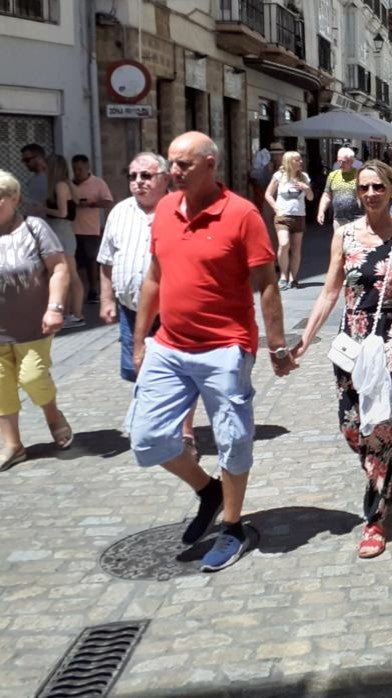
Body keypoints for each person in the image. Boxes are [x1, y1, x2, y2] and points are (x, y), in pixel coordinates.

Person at [128, 131, 297, 572]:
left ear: (209, 165)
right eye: (171, 163)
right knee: (148, 438)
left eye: (183, 164)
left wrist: (277, 346)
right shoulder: (165, 209)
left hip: (225, 347)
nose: (173, 172)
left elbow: (266, 284)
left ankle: (233, 526)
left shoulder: (241, 215)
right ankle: (208, 491)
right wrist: (140, 340)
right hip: (169, 346)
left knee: (234, 439)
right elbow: (155, 276)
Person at [295, 160, 392, 558]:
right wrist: (305, 339)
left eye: (378, 187)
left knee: (382, 428)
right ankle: (383, 470)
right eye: (364, 188)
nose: (371, 194)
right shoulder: (344, 236)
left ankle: (374, 518)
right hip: (352, 342)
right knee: (353, 427)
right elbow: (328, 292)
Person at [98, 153, 201, 450]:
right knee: (138, 368)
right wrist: (106, 298)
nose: (138, 182)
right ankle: (155, 423)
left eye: (145, 176)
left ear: (165, 178)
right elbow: (106, 259)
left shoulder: (183, 209)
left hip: (173, 309)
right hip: (131, 309)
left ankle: (184, 431)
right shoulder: (119, 212)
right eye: (132, 176)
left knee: (180, 371)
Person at [0, 169, 74, 470]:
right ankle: (13, 445)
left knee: (32, 378)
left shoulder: (34, 228)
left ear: (14, 198)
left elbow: (59, 268)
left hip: (34, 324)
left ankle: (52, 414)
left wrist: (55, 307)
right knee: (1, 387)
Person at [41, 154, 86, 328]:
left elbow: (62, 212)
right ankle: (68, 313)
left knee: (71, 274)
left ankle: (77, 314)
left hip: (61, 232)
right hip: (62, 232)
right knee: (65, 274)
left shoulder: (60, 185)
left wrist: (42, 208)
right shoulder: (66, 184)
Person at [264, 151, 313, 290]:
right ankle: (283, 276)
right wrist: (276, 208)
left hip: (299, 215)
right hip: (282, 216)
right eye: (298, 160)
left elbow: (310, 198)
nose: (301, 162)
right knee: (284, 244)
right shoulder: (279, 176)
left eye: (301, 159)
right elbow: (268, 194)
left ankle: (293, 277)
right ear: (290, 161)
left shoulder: (304, 177)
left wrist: (306, 188)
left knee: (296, 249)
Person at [71, 154, 114, 305]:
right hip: (72, 229)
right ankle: (79, 291)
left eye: (81, 169)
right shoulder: (69, 184)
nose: (77, 172)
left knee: (91, 260)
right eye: (75, 169)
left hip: (90, 229)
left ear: (88, 168)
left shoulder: (98, 183)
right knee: (75, 261)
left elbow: (108, 201)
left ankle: (93, 290)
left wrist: (91, 204)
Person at [318, 147, 363, 229]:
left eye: (344, 162)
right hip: (338, 219)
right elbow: (327, 195)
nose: (340, 164)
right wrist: (321, 211)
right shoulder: (333, 175)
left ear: (351, 161)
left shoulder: (359, 175)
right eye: (339, 161)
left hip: (357, 219)